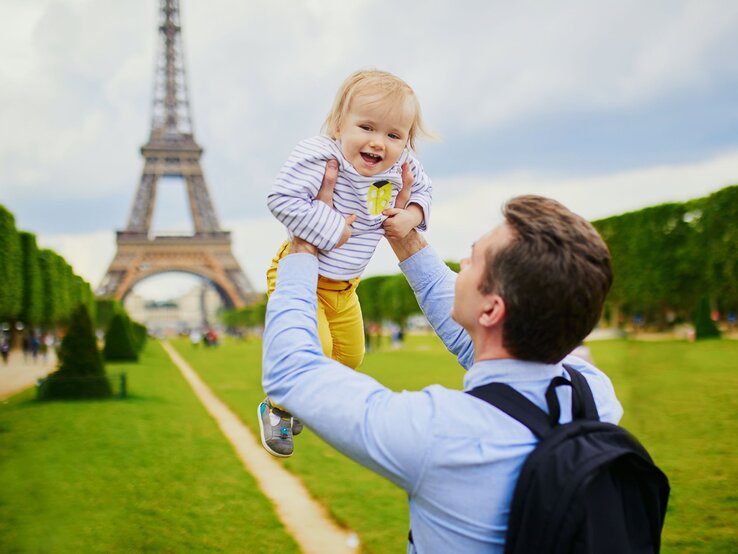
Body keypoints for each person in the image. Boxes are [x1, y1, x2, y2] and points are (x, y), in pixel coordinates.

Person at [261, 164, 622, 552]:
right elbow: (481, 343)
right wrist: (403, 235)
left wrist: (303, 243)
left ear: (491, 310)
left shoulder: (437, 434)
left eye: (473, 260)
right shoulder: (594, 392)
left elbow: (292, 371)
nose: (460, 267)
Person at [259, 69, 433, 457]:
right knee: (313, 348)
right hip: (300, 274)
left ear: (406, 140)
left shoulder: (402, 167)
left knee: (351, 358)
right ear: (338, 125)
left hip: (346, 286)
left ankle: (298, 397)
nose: (378, 143)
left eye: (393, 135)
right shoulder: (319, 154)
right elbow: (281, 199)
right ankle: (276, 408)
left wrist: (413, 216)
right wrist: (330, 226)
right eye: (366, 127)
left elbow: (423, 191)